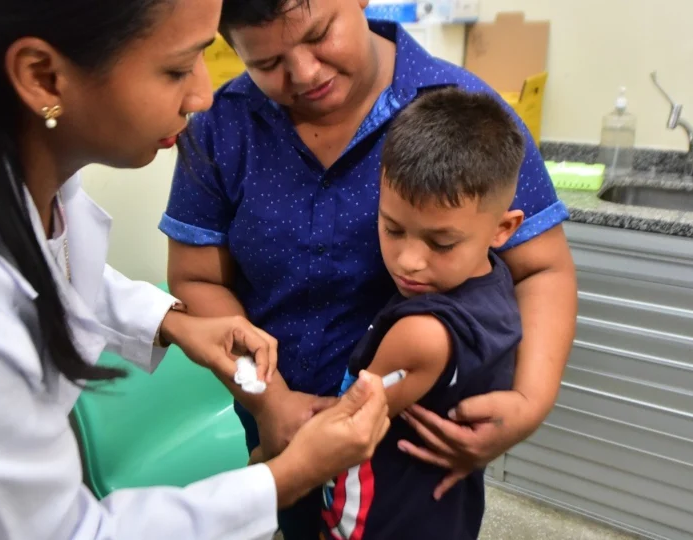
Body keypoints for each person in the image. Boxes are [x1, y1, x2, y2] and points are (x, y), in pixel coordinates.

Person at [0, 1, 392, 539]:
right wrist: (289, 476)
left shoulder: (21, 182)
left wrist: (173, 323)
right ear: (43, 77)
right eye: (177, 68)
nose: (202, 94)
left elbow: (49, 269)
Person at [161, 0, 578, 537]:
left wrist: (530, 403)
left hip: (415, 468)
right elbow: (197, 280)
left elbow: (543, 269)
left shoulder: (464, 114)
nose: (305, 74)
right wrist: (271, 404)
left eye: (320, 34)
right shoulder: (221, 127)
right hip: (280, 440)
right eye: (268, 64)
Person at [319, 88, 525, 540]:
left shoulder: (421, 335)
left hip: (377, 519)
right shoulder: (493, 281)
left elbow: (346, 429)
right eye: (392, 228)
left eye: (441, 243)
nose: (409, 261)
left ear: (504, 228)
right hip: (446, 513)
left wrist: (271, 461)